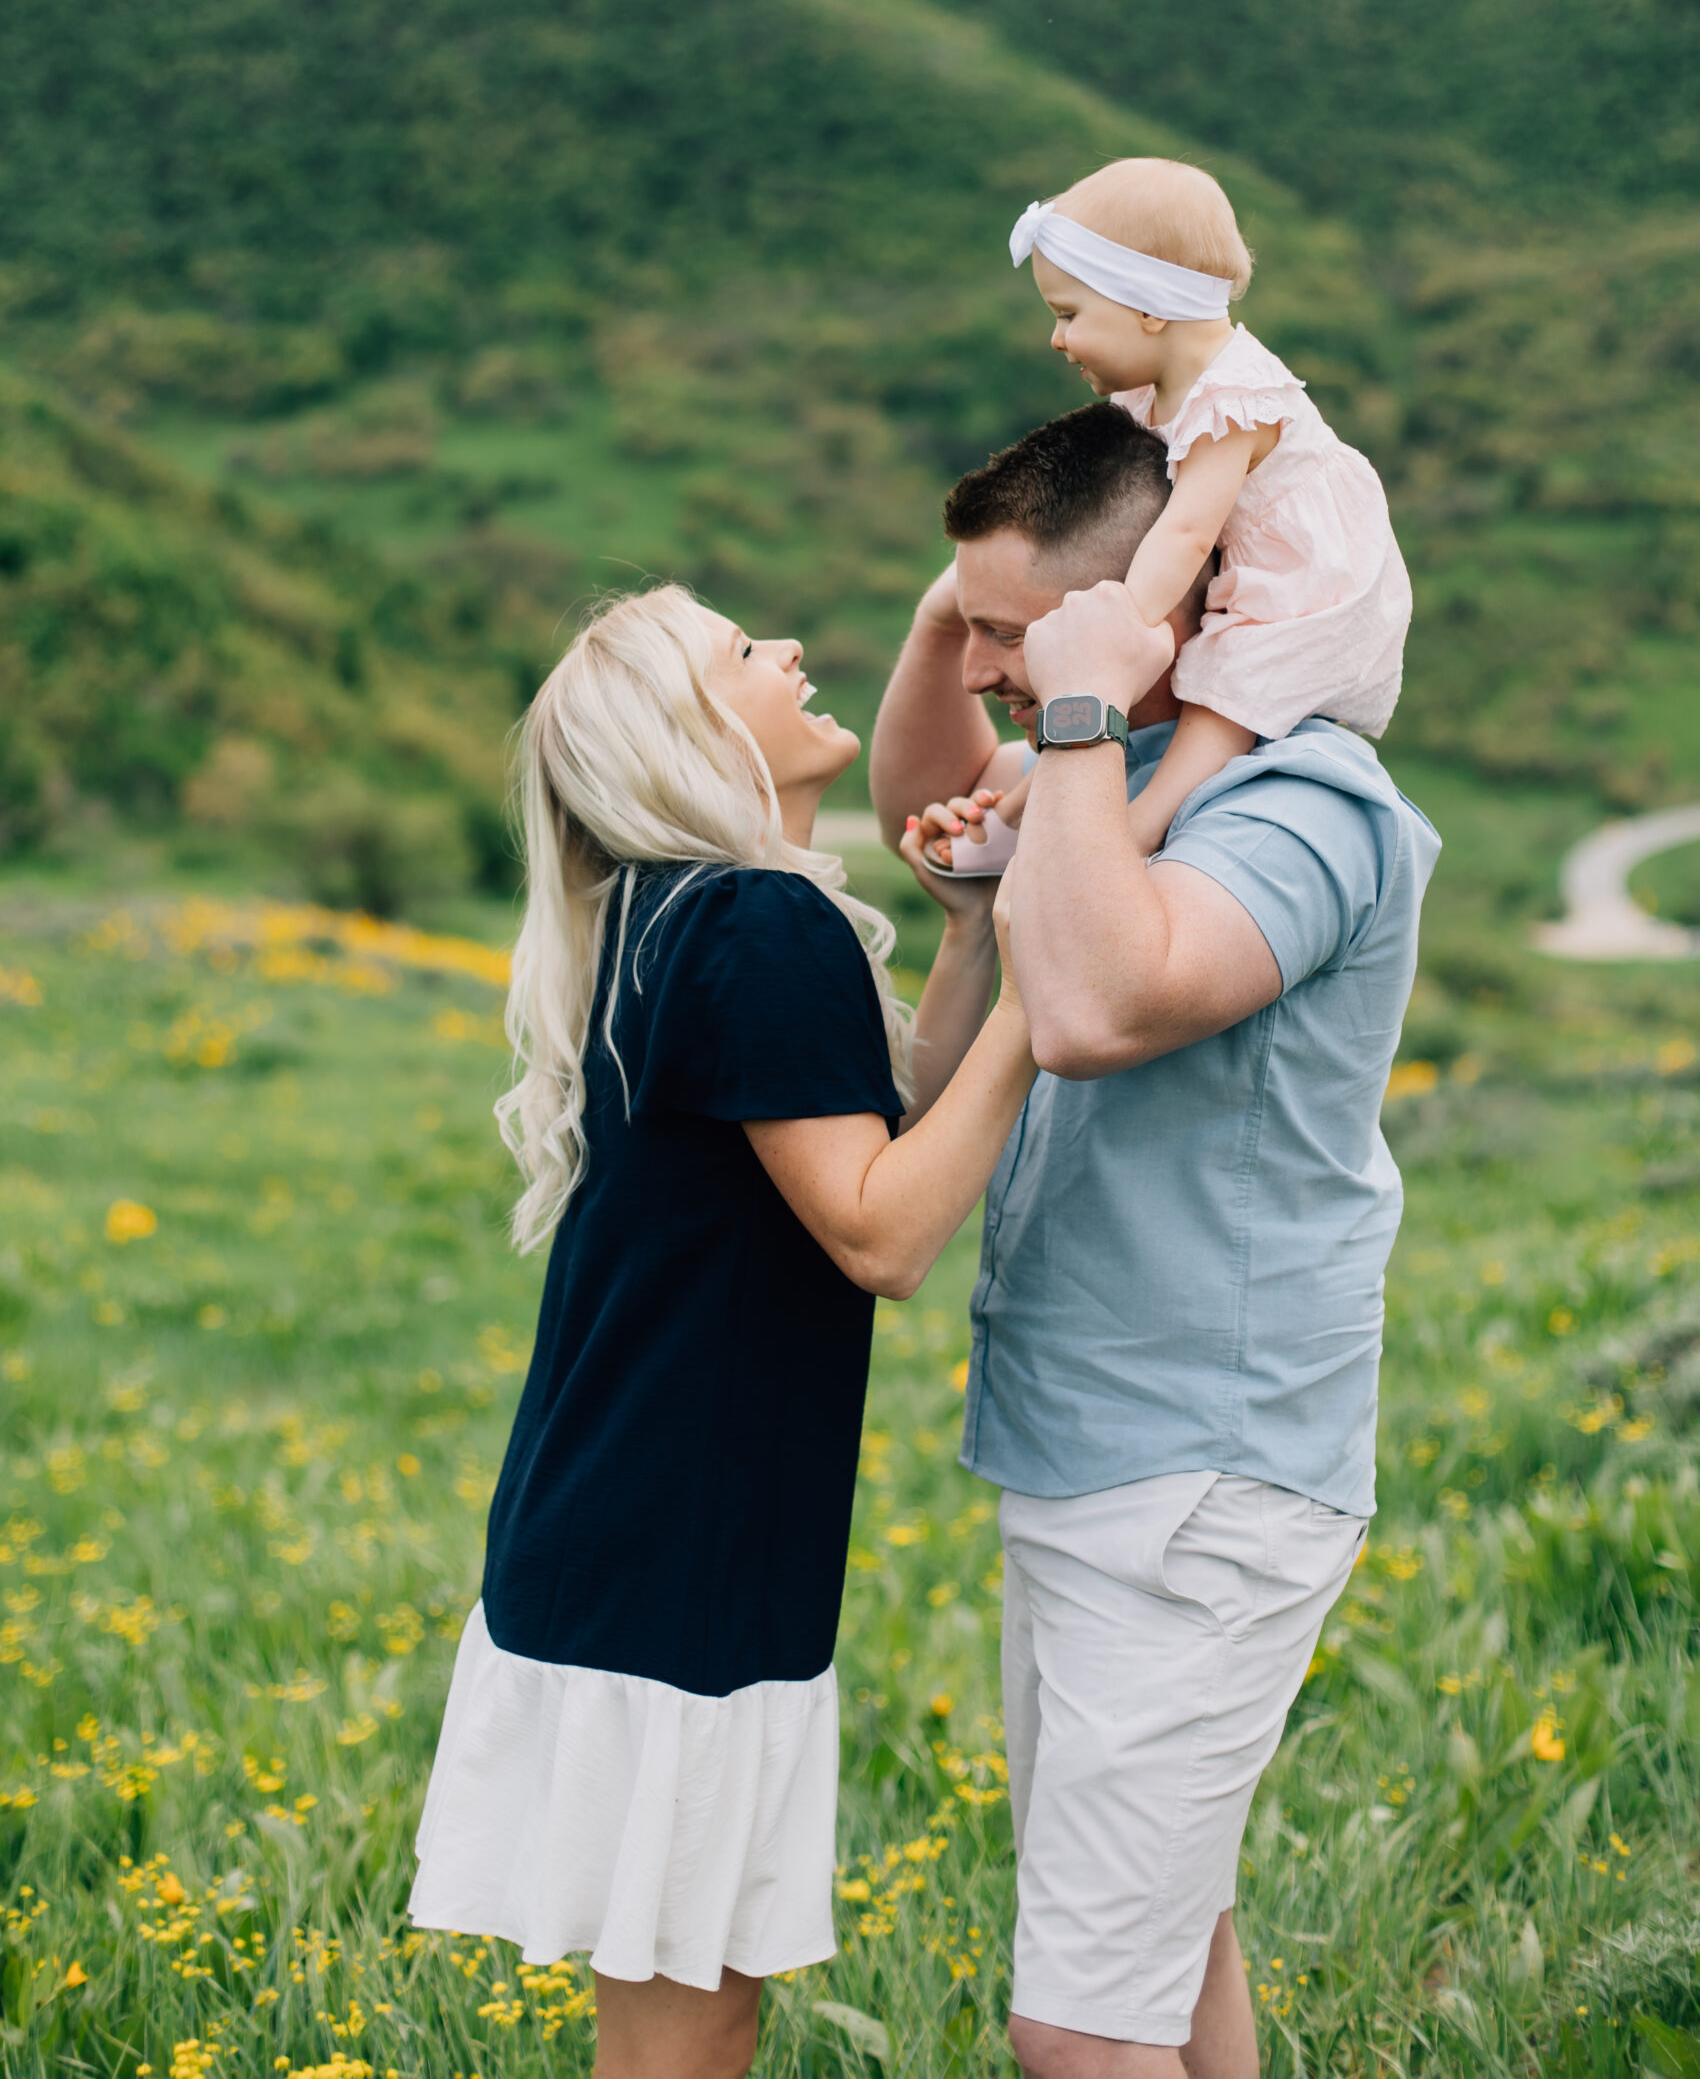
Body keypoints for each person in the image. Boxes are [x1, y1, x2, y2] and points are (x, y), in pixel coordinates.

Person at [870, 404, 1439, 2079]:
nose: (982, 671)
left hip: (1201, 1475)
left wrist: (1068, 706)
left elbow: (1106, 1003)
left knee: (1075, 2031)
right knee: (1165, 1948)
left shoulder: (1303, 807)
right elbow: (919, 802)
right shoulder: (1104, 772)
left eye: (1004, 635)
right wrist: (958, 627)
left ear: (1145, 631)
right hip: (1100, 1453)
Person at [409, 583, 1036, 2079]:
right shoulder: (754, 923)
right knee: (693, 2014)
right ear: (687, 732)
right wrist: (1048, 996)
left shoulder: (687, 912)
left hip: (644, 1518)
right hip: (679, 1541)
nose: (793, 652)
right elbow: (882, 1229)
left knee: (703, 1995)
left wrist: (974, 946)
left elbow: (866, 1134)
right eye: (745, 654)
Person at [946, 158, 1410, 877]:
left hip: (1302, 576)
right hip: (1238, 564)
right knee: (1146, 694)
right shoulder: (1152, 389)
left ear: (1150, 306)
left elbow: (1189, 529)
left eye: (1069, 315)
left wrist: (1117, 626)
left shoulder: (1232, 396)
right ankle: (1013, 813)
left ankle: (1138, 829)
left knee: (1223, 693)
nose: (1057, 340)